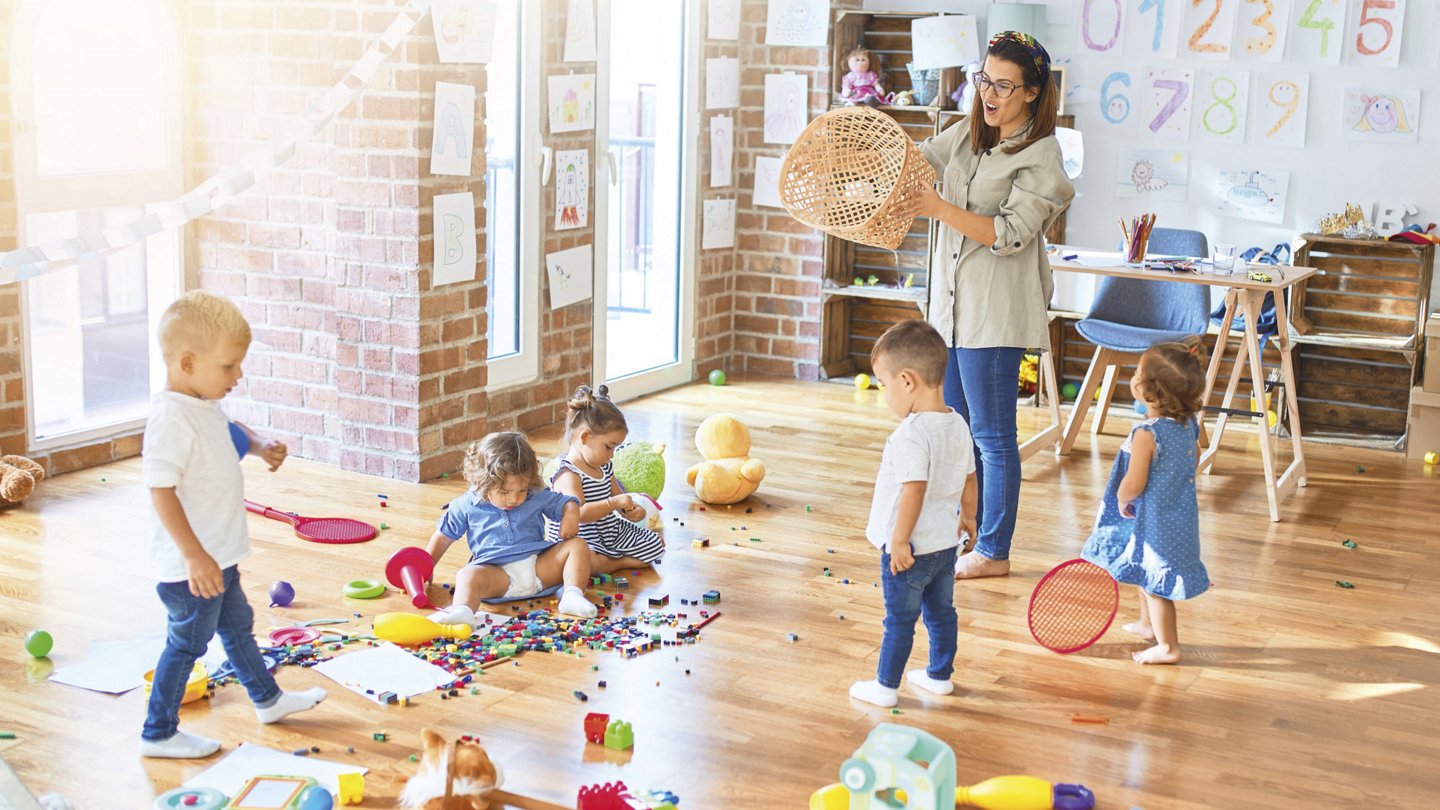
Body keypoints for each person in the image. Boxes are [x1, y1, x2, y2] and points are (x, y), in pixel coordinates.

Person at [896, 31, 1076, 580]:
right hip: (951, 312)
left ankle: (994, 551)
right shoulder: (967, 136)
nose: (990, 94)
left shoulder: (1042, 156)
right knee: (955, 430)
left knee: (994, 439)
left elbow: (1008, 234)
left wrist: (937, 206)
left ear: (1031, 92)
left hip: (993, 314)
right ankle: (965, 532)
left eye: (1004, 85)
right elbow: (915, 161)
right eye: (985, 80)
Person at [140, 291, 326, 759]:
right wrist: (194, 555)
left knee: (239, 627)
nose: (237, 375)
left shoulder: (200, 406)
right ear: (187, 362)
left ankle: (268, 699)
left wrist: (260, 445)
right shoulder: (169, 419)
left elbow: (227, 432)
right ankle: (158, 732)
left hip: (219, 557)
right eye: (228, 367)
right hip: (194, 568)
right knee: (187, 646)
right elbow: (160, 491)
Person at [849, 320, 978, 708]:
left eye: (883, 384)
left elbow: (913, 489)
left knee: (900, 620)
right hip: (944, 545)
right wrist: (968, 519)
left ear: (907, 381)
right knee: (941, 613)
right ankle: (939, 676)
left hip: (911, 548)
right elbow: (971, 480)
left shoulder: (911, 433)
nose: (883, 393)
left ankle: (886, 687)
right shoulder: (957, 423)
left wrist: (900, 540)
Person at [1081, 337, 1210, 665]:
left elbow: (1134, 481)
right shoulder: (1188, 426)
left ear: (1148, 391)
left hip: (1155, 521)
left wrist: (1122, 498)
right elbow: (1195, 457)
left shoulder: (1146, 434)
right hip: (1178, 515)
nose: (1134, 376)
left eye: (1138, 371)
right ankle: (1147, 624)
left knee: (1156, 585)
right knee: (1144, 570)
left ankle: (1168, 646)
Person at [425, 431, 597, 623]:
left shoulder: (534, 495)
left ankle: (572, 595)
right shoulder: (465, 505)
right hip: (497, 576)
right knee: (466, 575)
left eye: (522, 490)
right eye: (505, 492)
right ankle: (463, 612)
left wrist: (571, 514)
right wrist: (426, 568)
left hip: (539, 569)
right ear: (483, 482)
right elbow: (443, 537)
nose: (514, 499)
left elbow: (566, 502)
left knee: (578, 545)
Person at [546, 385, 666, 575]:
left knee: (655, 544)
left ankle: (610, 557)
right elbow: (581, 514)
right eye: (608, 447)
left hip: (608, 531)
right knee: (583, 562)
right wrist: (613, 503)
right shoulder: (568, 473)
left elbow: (620, 498)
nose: (611, 455)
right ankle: (617, 562)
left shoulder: (604, 466)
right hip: (581, 539)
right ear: (585, 437)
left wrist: (632, 509)